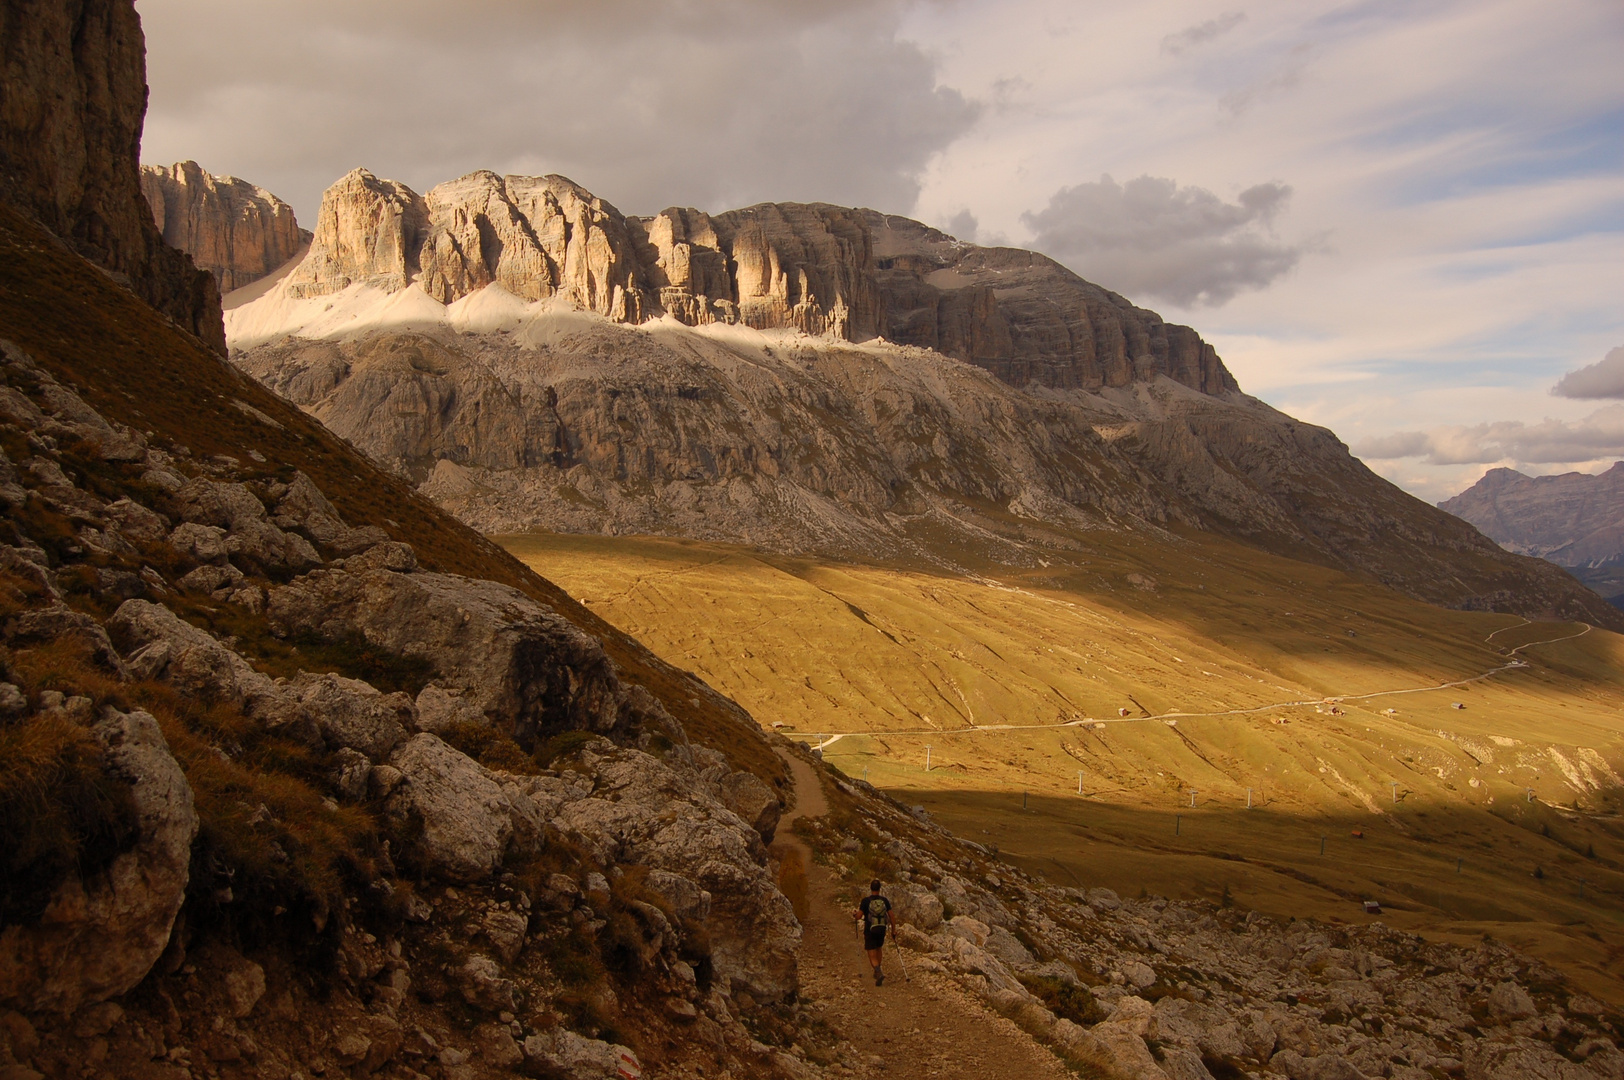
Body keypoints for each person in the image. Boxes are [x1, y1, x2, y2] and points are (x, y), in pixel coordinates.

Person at [855, 879, 894, 985]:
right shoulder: (884, 901)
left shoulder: (866, 901)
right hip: (881, 929)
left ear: (870, 888)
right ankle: (878, 970)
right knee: (878, 948)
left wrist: (855, 915)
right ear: (879, 889)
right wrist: (893, 930)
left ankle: (878, 971)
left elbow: (859, 916)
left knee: (872, 953)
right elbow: (891, 916)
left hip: (870, 930)